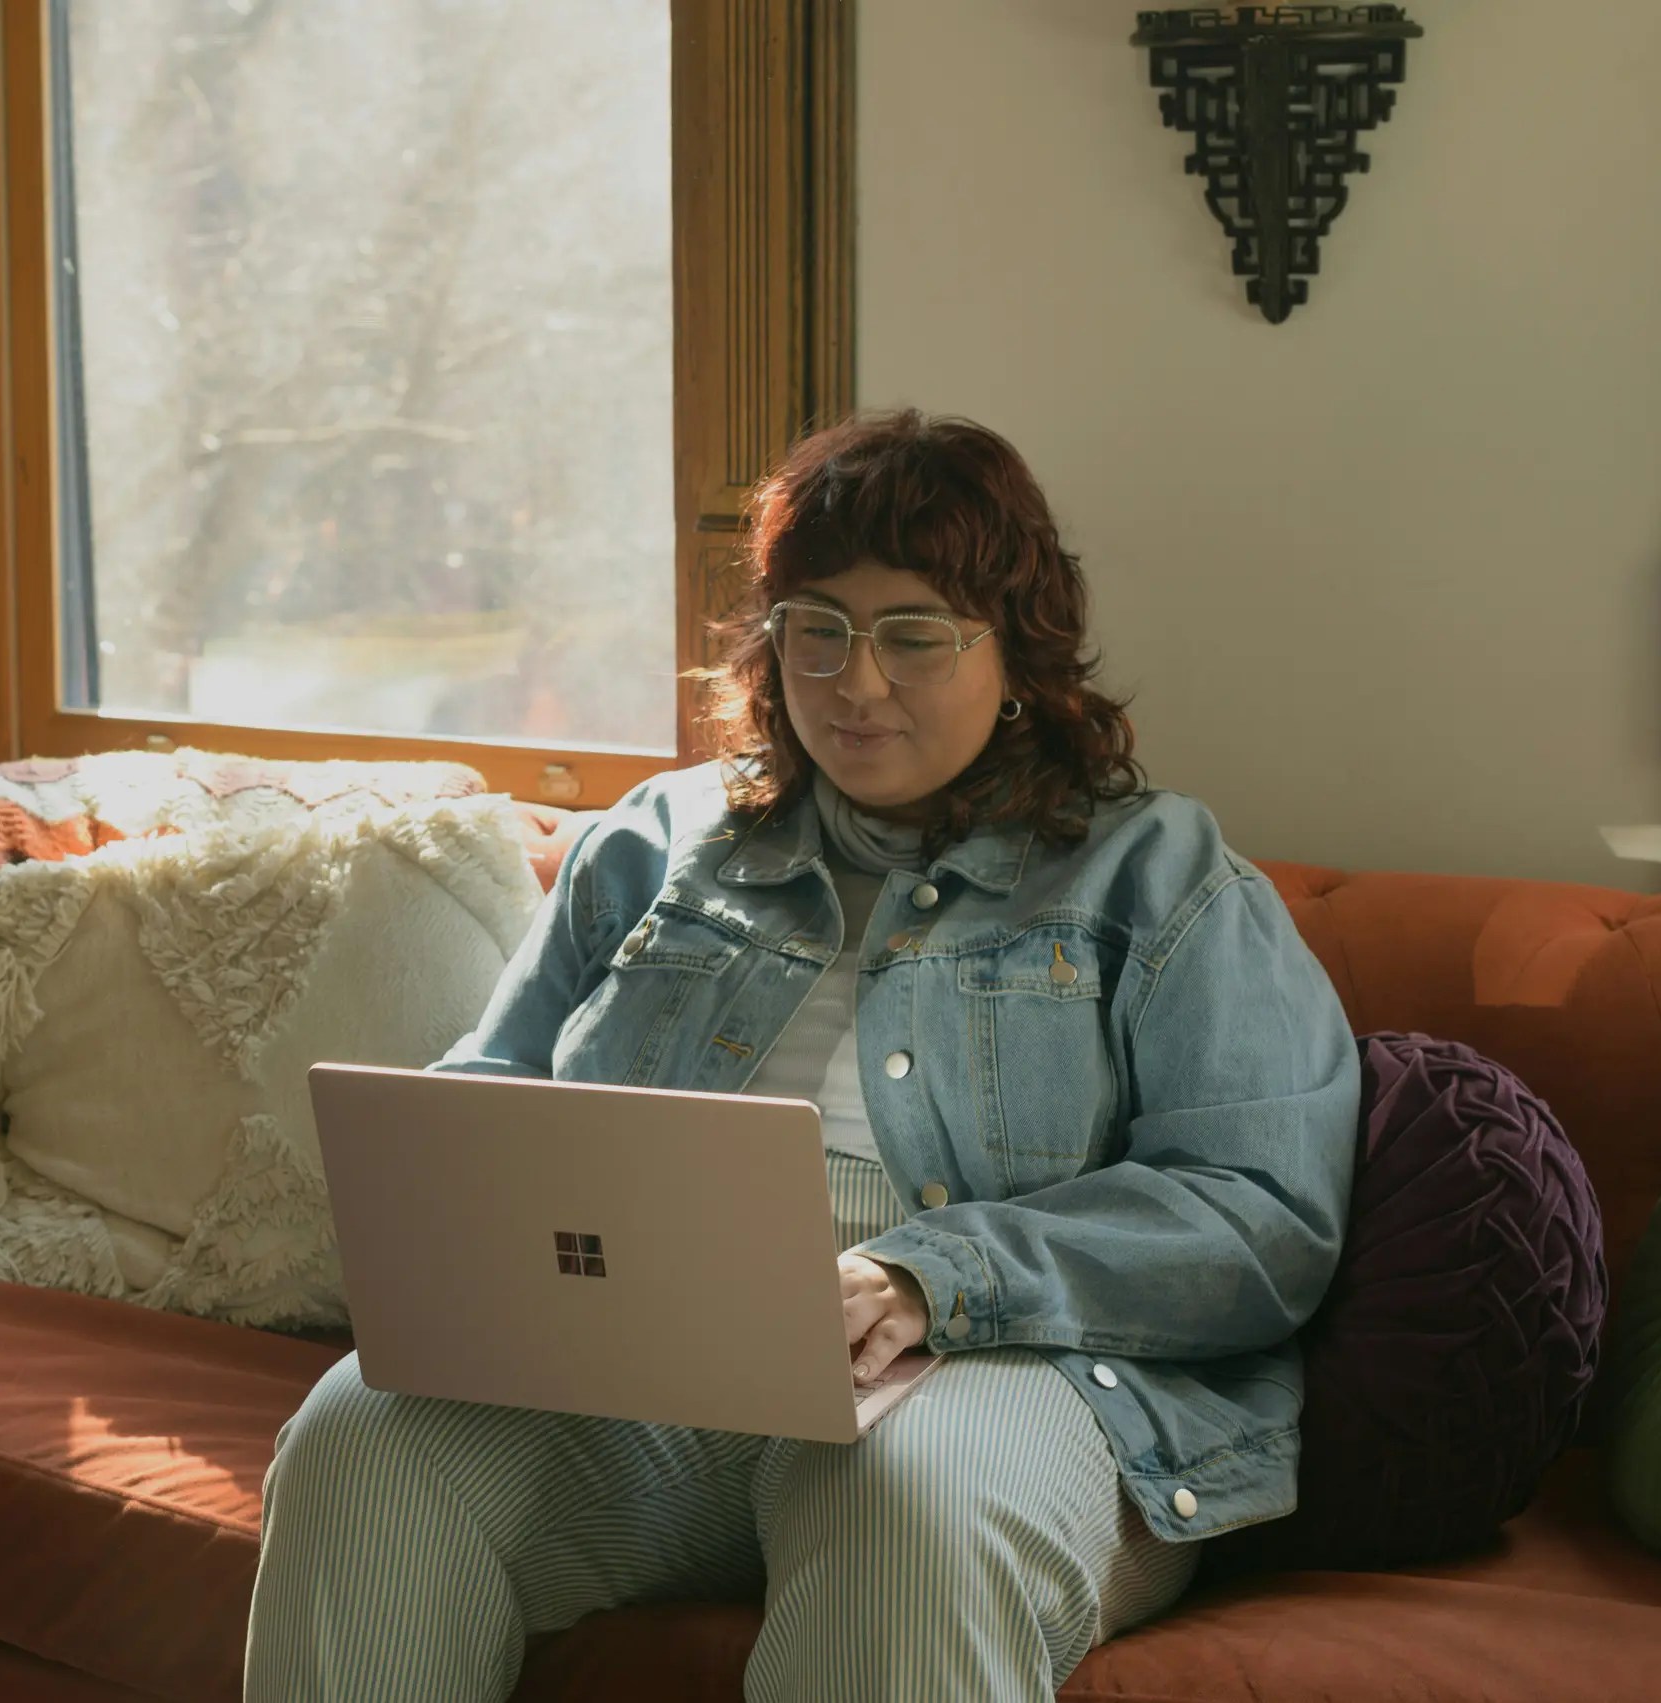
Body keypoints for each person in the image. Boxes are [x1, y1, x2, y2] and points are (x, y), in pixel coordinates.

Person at [244, 408, 1359, 1701]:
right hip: (645, 1372)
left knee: (905, 1519)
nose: (856, 681)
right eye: (816, 630)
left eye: (912, 635)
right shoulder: (657, 844)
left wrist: (929, 1275)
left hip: (995, 1369)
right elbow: (491, 1097)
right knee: (360, 1443)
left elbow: (1262, 1214)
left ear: (1018, 650)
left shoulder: (1159, 875)